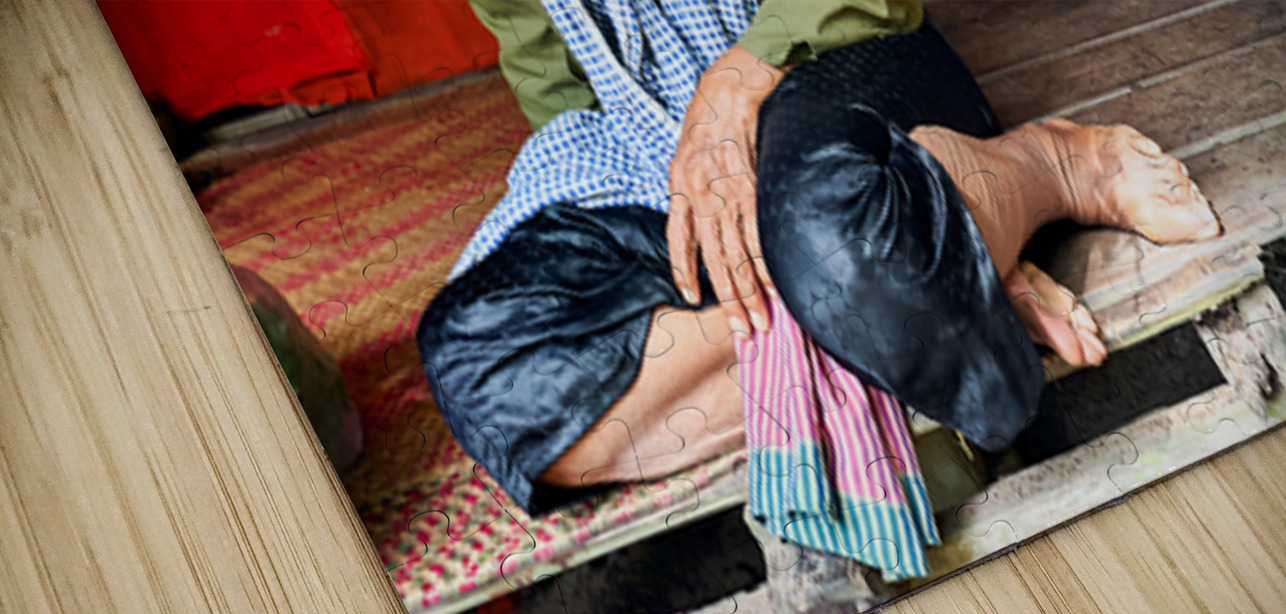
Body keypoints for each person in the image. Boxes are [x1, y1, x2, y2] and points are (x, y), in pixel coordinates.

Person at [418, 0, 1221, 522]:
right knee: (489, 370)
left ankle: (1050, 169)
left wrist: (736, 85)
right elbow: (555, 78)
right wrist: (679, 203)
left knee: (834, 231)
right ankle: (930, 256)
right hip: (646, 142)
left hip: (828, 50)